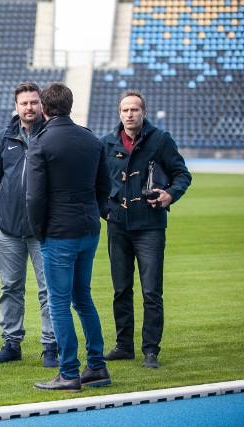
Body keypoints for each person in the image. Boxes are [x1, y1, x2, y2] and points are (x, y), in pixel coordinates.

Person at [26, 82, 111, 392]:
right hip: (89, 228)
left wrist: (39, 231)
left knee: (59, 303)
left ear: (45, 109)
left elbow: (34, 196)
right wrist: (95, 212)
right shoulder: (91, 139)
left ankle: (69, 372)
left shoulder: (41, 142)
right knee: (82, 298)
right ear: (70, 105)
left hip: (59, 233)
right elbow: (105, 186)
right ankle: (97, 367)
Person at [101, 90, 191, 369]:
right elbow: (98, 182)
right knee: (121, 290)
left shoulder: (161, 139)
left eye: (135, 110)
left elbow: (182, 174)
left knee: (151, 291)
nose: (130, 114)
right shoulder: (107, 143)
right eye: (125, 110)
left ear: (144, 112)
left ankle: (151, 350)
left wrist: (170, 194)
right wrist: (105, 209)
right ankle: (124, 346)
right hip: (118, 225)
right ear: (119, 113)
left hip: (150, 225)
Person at [0, 82, 58, 367]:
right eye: (24, 103)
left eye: (34, 102)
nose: (30, 107)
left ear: (43, 105)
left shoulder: (52, 136)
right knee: (10, 287)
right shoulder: (4, 138)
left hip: (45, 228)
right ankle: (11, 343)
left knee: (48, 289)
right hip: (7, 228)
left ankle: (50, 346)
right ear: (16, 106)